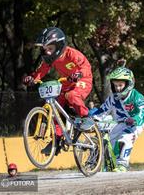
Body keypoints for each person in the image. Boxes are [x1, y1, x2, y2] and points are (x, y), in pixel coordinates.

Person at [23, 27, 93, 155]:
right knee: (56, 109)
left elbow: (86, 66)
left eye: (50, 49)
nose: (48, 53)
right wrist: (32, 78)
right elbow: (41, 71)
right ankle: (57, 140)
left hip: (83, 81)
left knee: (72, 95)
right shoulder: (50, 60)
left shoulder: (72, 54)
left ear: (59, 45)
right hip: (66, 83)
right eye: (45, 50)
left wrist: (79, 74)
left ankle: (86, 117)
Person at [83, 67, 144, 172]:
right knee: (111, 140)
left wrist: (135, 119)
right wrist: (91, 117)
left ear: (129, 84)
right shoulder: (112, 98)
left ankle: (122, 164)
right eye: (115, 85)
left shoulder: (136, 96)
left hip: (135, 124)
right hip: (120, 123)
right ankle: (103, 163)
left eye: (120, 85)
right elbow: (103, 110)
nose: (117, 88)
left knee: (125, 138)